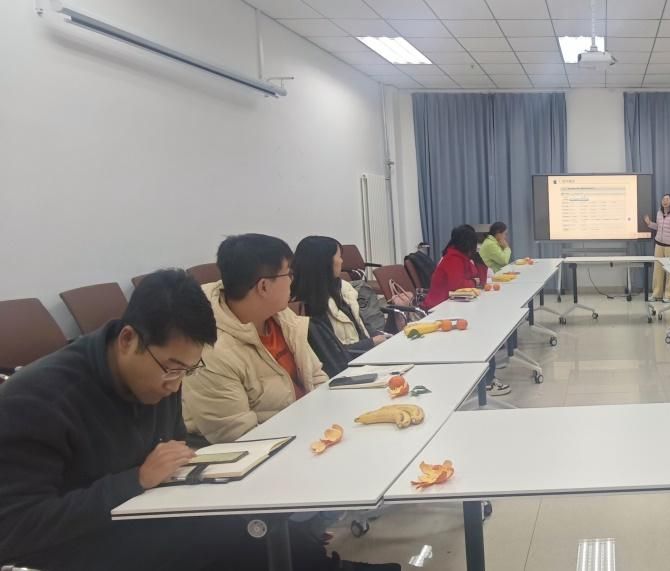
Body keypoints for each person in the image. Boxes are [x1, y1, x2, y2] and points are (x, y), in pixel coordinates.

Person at [0, 270, 395, 570]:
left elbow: (171, 451)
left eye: (187, 371)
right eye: (171, 369)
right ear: (128, 340)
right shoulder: (37, 400)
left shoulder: (160, 375)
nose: (175, 385)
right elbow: (14, 529)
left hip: (141, 508)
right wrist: (134, 480)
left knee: (252, 518)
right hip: (79, 542)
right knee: (229, 535)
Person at [184, 234, 328, 445]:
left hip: (312, 431)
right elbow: (240, 437)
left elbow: (316, 377)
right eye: (289, 274)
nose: (292, 280)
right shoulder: (211, 352)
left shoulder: (281, 316)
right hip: (275, 449)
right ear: (263, 287)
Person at [292, 236, 387, 375]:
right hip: (348, 371)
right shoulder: (308, 307)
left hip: (366, 359)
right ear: (325, 262)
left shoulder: (342, 290)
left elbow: (364, 329)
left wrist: (394, 323)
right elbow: (331, 356)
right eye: (339, 256)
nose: (342, 261)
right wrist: (372, 343)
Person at [421, 224, 488, 311]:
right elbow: (458, 286)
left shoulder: (463, 257)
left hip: (454, 303)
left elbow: (481, 281)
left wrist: (479, 263)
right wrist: (474, 282)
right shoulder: (452, 258)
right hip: (439, 306)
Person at [644, 193, 670, 302]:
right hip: (659, 245)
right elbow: (659, 227)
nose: (664, 201)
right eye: (663, 199)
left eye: (667, 199)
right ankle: (657, 294)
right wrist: (649, 223)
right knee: (657, 270)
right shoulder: (659, 213)